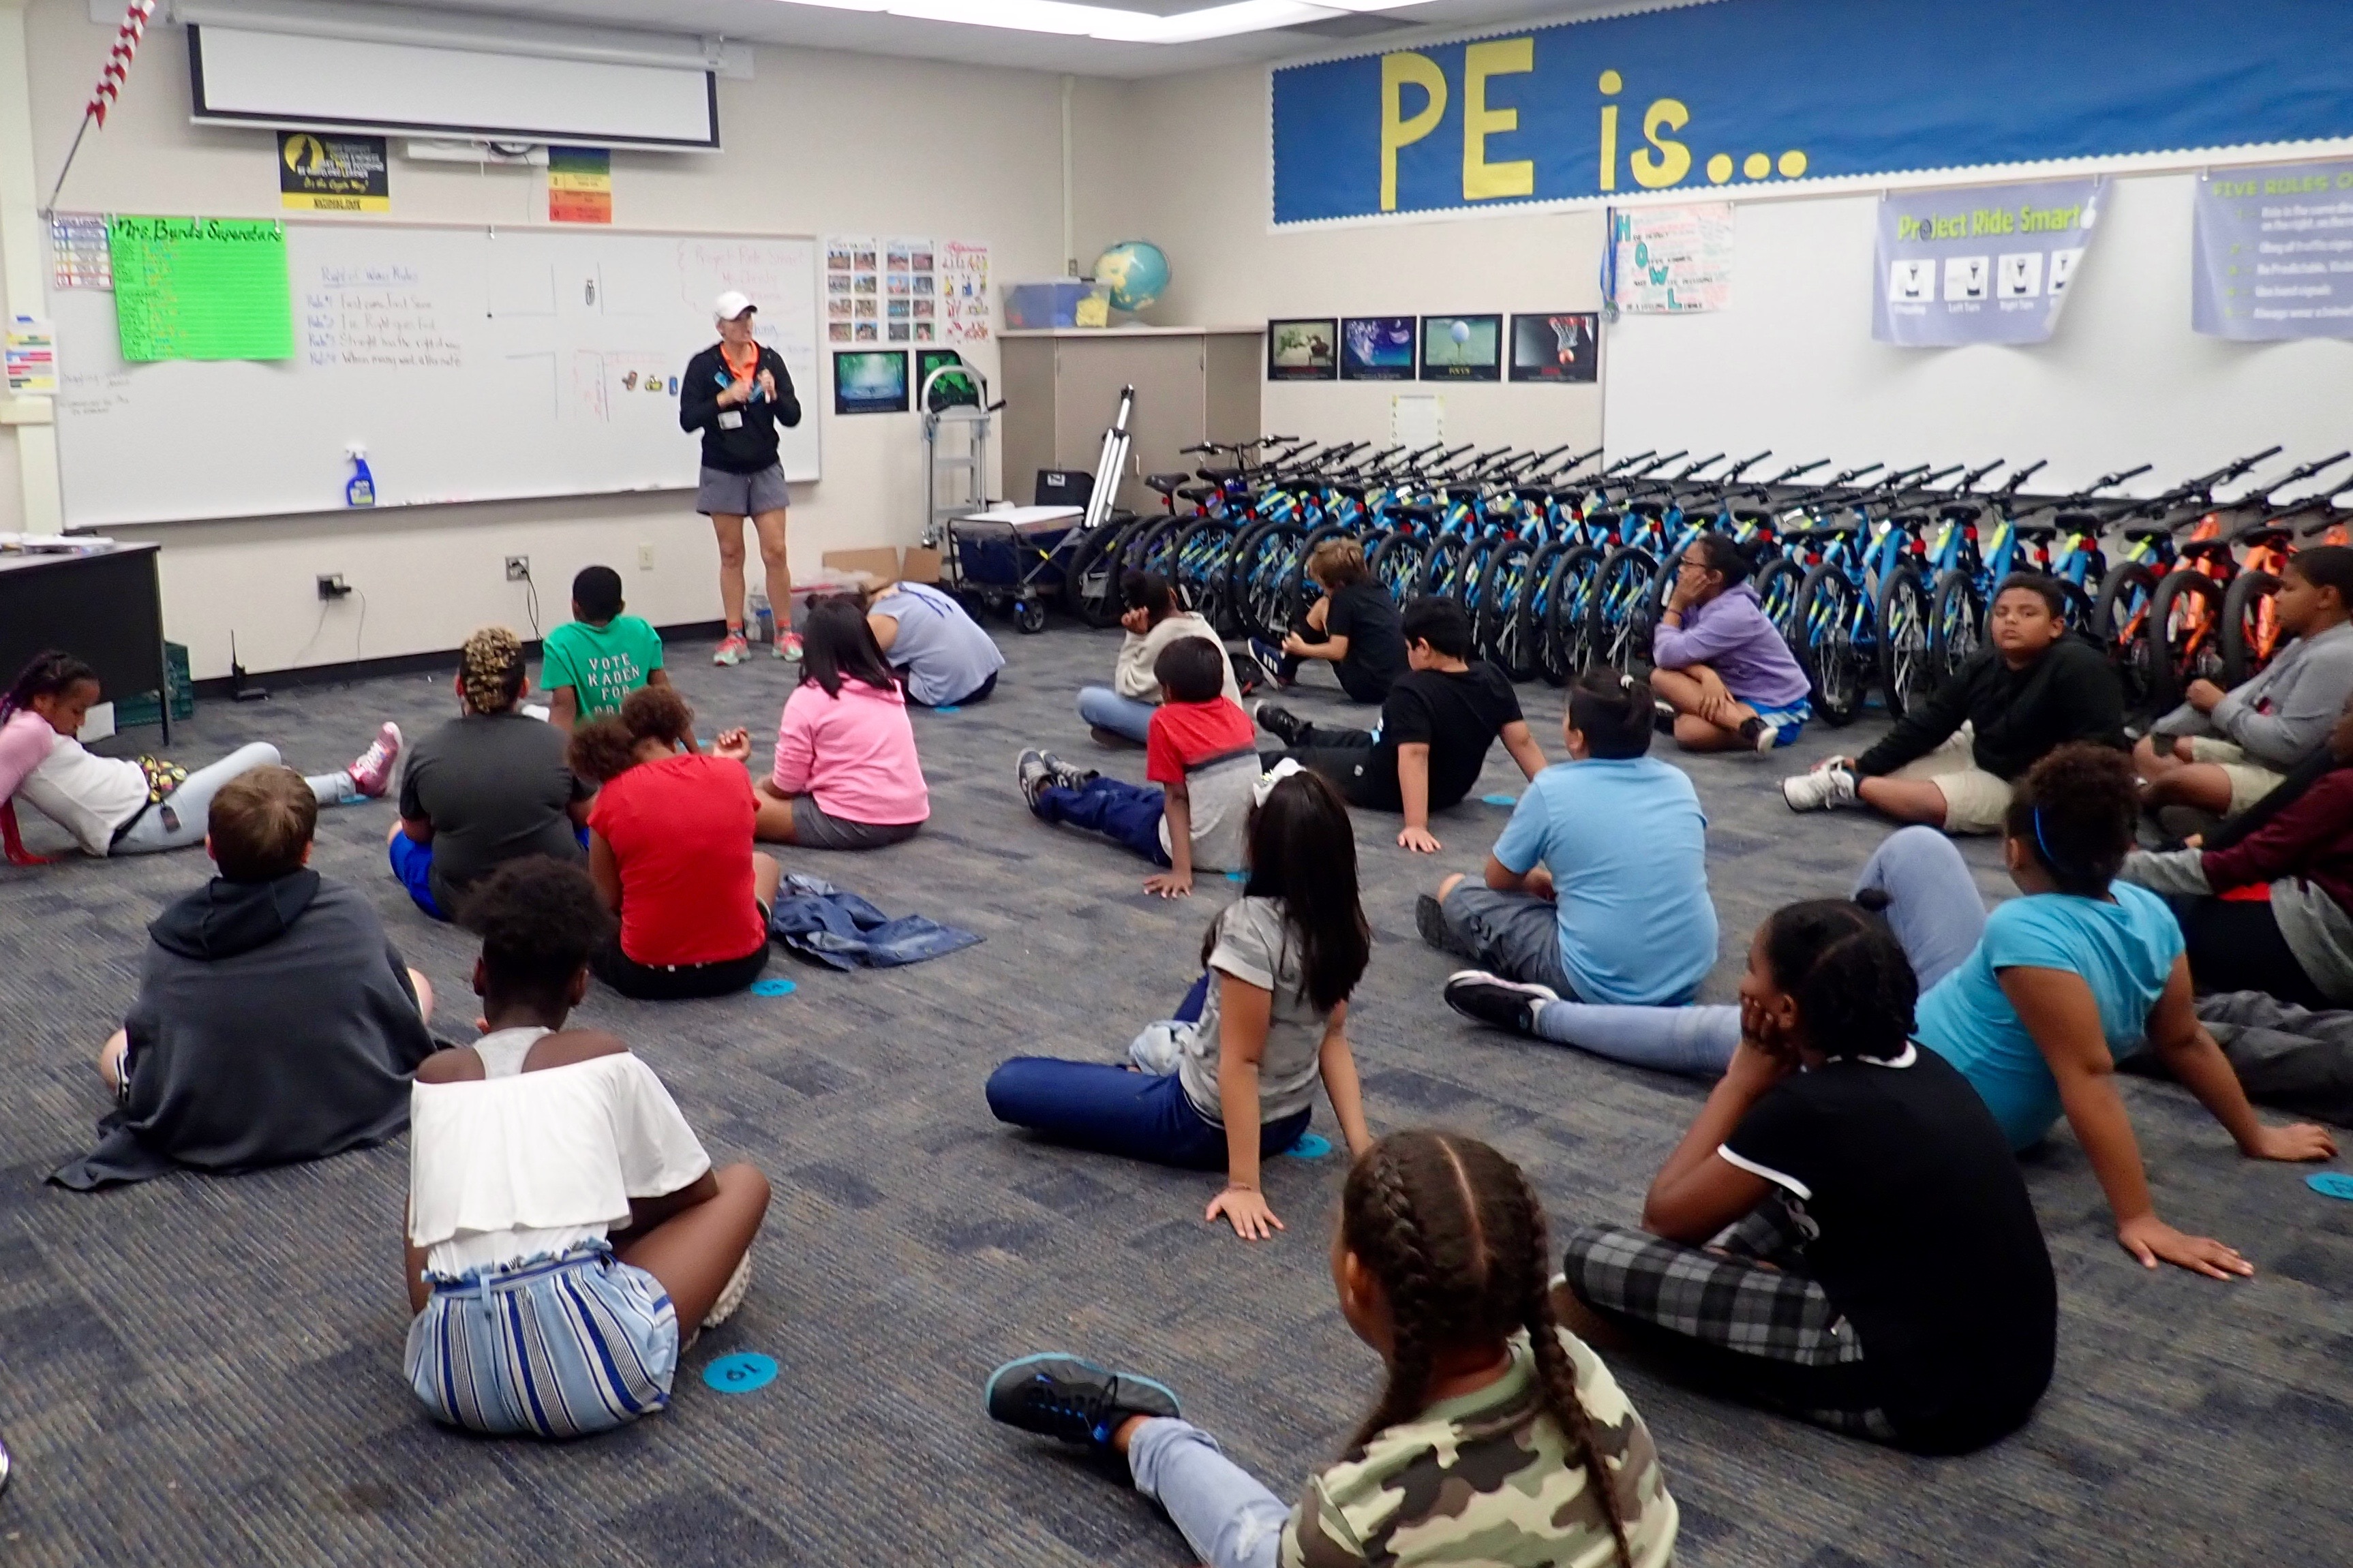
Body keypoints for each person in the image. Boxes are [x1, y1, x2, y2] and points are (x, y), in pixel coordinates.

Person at [1457, 745, 2337, 1278]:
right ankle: (1843, 961)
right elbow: (2182, 1041)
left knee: (1709, 1035)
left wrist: (2137, 1216)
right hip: (1951, 1022)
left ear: (2014, 850)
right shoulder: (2146, 912)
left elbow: (2089, 1080)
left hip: (1915, 1072)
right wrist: (2253, 1136)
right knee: (1915, 846)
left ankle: (1542, 1017)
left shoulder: (2026, 932)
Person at [984, 1131, 1678, 1568]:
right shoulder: (1581, 1371)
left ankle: (1143, 1432)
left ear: (1355, 1278)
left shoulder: (1356, 1511)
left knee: (1257, 1545)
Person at [1555, 900, 2057, 1454]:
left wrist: (1741, 1082)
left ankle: (1693, 1317)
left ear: (1788, 1009)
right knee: (1778, 1188)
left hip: (1919, 1396)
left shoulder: (1810, 1107)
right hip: (2016, 1367)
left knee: (1594, 1254)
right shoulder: (1927, 1066)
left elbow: (1663, 1217)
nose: (1741, 984)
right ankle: (1708, 1286)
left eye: (1750, 968)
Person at [401, 857, 772, 1440]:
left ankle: (487, 1319)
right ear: (580, 983)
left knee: (425, 1195)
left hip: (450, 1382)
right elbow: (694, 1190)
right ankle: (621, 1309)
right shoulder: (601, 1054)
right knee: (745, 1182)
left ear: (478, 975)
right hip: (595, 1377)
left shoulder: (436, 1076)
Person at [985, 767, 1376, 1240]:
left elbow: (1242, 1062)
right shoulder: (1339, 924)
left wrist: (1244, 1185)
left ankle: (1144, 1070)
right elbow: (1333, 1036)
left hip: (1202, 1124)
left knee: (1009, 1084)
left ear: (1261, 847)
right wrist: (1363, 1147)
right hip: (1289, 1117)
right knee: (1220, 979)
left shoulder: (1250, 926)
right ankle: (1155, 1062)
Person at [50, 766, 438, 1190]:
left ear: (210, 847)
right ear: (308, 851)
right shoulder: (351, 909)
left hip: (215, 1124)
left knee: (115, 1049)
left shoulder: (173, 935)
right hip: (354, 1101)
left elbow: (157, 1041)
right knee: (415, 983)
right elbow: (391, 1005)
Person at [1420, 668, 1717, 1005]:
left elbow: (1498, 879)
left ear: (1576, 737)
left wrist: (1536, 881)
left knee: (1456, 890)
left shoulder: (1552, 789)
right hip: (1689, 968)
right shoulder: (1678, 782)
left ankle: (1488, 947)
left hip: (1599, 979)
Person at [1782, 573, 2125, 833]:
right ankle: (1860, 779)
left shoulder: (2079, 666)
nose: (2010, 620)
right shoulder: (1985, 662)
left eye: (2027, 613)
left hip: (2027, 784)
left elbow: (2099, 749)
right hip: (1983, 749)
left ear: (2055, 627)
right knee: (1891, 777)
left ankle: (1845, 784)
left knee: (1929, 805)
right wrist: (1865, 762)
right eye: (2002, 612)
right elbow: (1932, 720)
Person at [0, 649, 397, 865]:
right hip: (143, 822)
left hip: (149, 801)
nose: (82, 722)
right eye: (77, 711)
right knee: (265, 758)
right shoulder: (29, 732)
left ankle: (356, 781)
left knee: (260, 784)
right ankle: (357, 781)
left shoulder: (21, 717)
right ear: (43, 700)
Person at [1256, 596, 1546, 852]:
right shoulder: (1492, 678)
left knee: (1298, 761)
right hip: (1452, 788)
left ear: (1424, 648)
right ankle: (1301, 733)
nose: (1406, 655)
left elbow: (1415, 756)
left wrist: (1416, 825)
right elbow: (1522, 741)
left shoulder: (1412, 690)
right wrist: (1552, 790)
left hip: (1385, 784)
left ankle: (1247, 765)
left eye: (1408, 648)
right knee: (1355, 739)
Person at [2122, 691, 2353, 1009]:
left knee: (2148, 907)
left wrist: (2122, 866)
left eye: (2345, 714)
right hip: (2330, 947)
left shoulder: (2343, 789)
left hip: (2318, 948)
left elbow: (2241, 864)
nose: (2334, 726)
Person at [568, 686, 780, 1000]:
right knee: (764, 863)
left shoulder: (613, 796)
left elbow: (607, 899)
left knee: (580, 912)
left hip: (647, 976)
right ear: (673, 735)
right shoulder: (734, 773)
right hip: (742, 965)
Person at [1017, 637, 1256, 898]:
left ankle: (1045, 795)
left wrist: (1181, 872)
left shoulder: (1165, 721)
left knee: (1108, 808)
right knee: (1146, 797)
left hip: (1196, 846)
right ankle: (1088, 784)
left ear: (1168, 691)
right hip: (1235, 845)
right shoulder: (1236, 713)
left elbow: (1176, 799)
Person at [389, 626, 592, 921]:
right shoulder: (559, 742)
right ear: (524, 688)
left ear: (459, 686)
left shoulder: (427, 750)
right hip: (554, 893)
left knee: (397, 834)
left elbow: (416, 832)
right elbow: (587, 816)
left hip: (463, 901)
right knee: (593, 826)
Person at [2136, 544, 2353, 818]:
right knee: (2150, 749)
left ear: (2326, 597)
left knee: (2184, 781)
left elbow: (2289, 747)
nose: (2276, 598)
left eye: (2289, 589)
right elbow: (2251, 696)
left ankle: (2147, 800)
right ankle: (2194, 811)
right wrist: (2171, 728)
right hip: (2258, 756)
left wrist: (2219, 706)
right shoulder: (2304, 644)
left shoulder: (2335, 656)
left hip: (2291, 779)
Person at [680, 290, 803, 666]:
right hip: (722, 468)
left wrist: (774, 394)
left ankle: (785, 632)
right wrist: (725, 398)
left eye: (748, 317)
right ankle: (735, 635)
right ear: (721, 327)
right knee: (731, 554)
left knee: (775, 551)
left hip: (765, 466)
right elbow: (688, 419)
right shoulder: (704, 366)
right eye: (737, 319)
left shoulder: (770, 361)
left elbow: (793, 416)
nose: (745, 324)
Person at [755, 595, 928, 849]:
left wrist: (761, 785)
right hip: (910, 815)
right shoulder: (888, 688)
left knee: (737, 803)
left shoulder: (808, 698)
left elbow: (787, 784)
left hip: (852, 821)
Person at [1649, 533, 1812, 752]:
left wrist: (1675, 607)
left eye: (1688, 564)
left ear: (1714, 577)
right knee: (1661, 677)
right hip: (1733, 695)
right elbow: (1666, 654)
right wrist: (1705, 674)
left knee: (1689, 731)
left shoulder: (1734, 613)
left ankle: (1750, 727)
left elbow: (1666, 654)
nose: (1681, 570)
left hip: (1778, 704)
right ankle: (1741, 724)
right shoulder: (1699, 600)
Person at [1079, 570, 1242, 745]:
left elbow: (1126, 688)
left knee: (1088, 701)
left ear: (1142, 613)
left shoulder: (1163, 635)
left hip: (1200, 732)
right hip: (1231, 723)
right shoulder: (1197, 620)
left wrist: (1135, 636)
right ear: (1172, 593)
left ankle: (1146, 737)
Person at [539, 564, 688, 742]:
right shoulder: (641, 630)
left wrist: (556, 758)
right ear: (621, 606)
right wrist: (696, 752)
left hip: (593, 747)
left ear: (575, 606)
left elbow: (563, 710)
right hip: (641, 745)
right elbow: (667, 700)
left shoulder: (560, 642)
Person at [1249, 538, 1408, 703]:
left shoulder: (1343, 600)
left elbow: (1337, 651)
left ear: (1338, 584)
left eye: (1322, 585)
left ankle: (1285, 665)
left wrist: (1302, 649)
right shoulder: (1376, 586)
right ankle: (1285, 663)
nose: (1322, 589)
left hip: (1367, 687)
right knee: (1327, 606)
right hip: (1396, 683)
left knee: (1323, 605)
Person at [866, 578, 1006, 708]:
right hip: (989, 674)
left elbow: (859, 662)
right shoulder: (908, 587)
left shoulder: (881, 617)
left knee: (866, 675)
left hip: (953, 688)